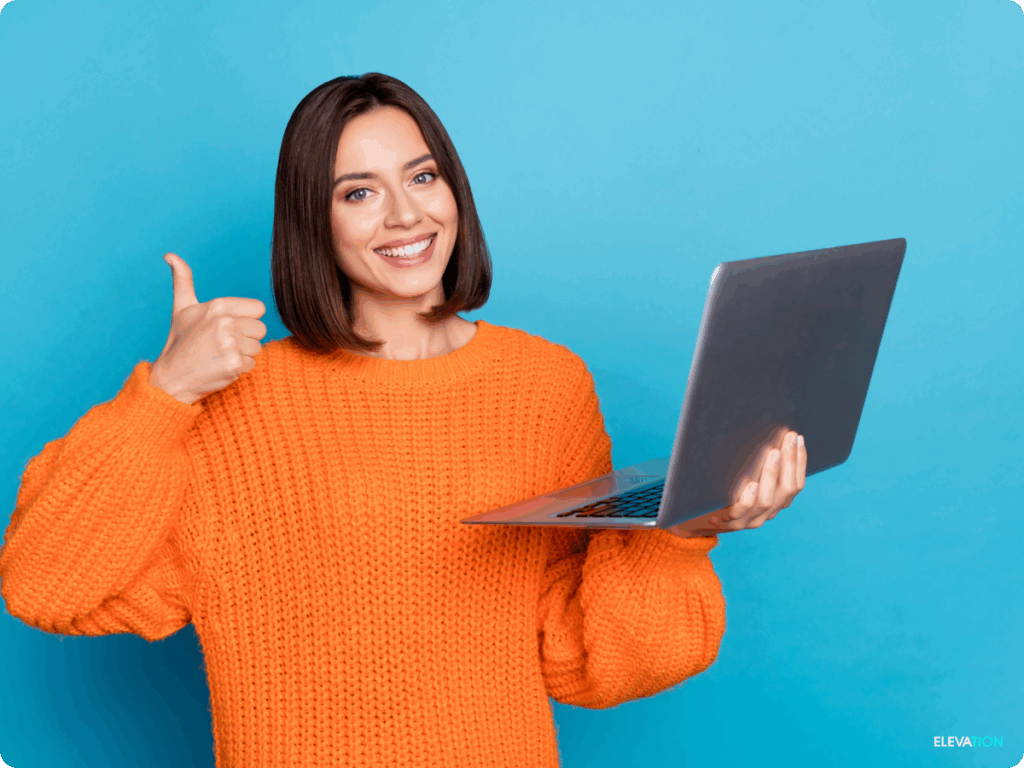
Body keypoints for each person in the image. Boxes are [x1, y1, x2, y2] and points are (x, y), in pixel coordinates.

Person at [0, 73, 806, 767]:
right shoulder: (234, 400)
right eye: (358, 192)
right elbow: (42, 586)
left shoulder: (546, 386)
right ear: (313, 221)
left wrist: (686, 529)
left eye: (422, 177)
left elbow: (583, 657)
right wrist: (166, 394)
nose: (404, 215)